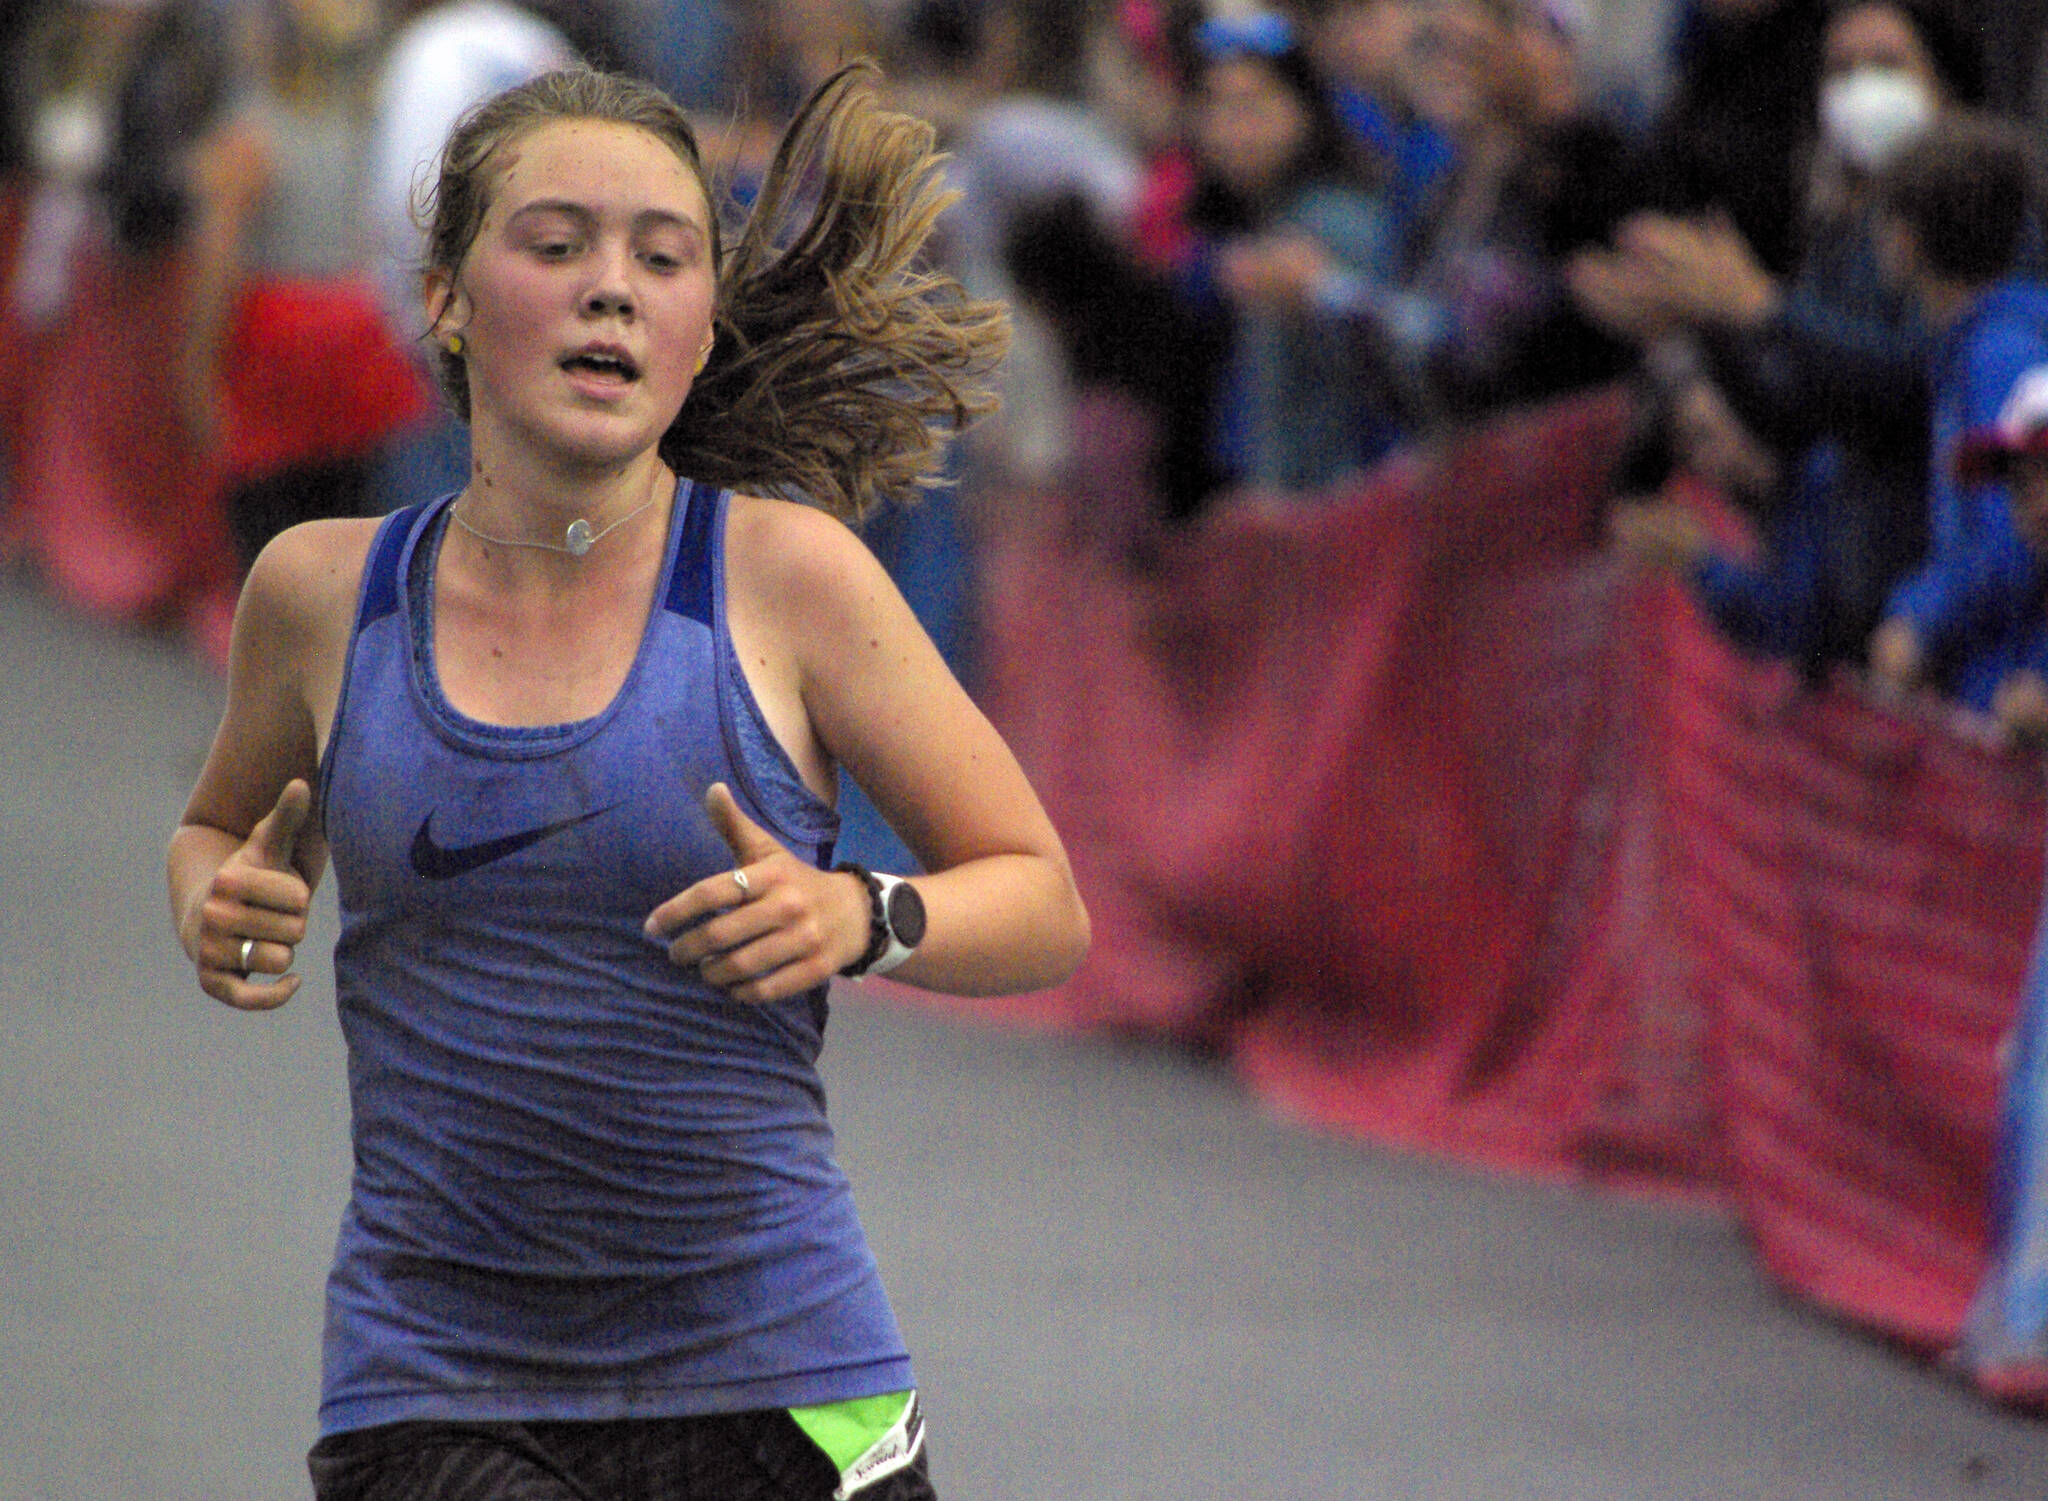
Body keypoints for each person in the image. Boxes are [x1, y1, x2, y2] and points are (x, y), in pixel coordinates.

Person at [165, 62, 1089, 1501]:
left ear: (699, 323)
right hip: (435, 1383)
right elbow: (223, 826)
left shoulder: (788, 582)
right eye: (556, 245)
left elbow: (1042, 900)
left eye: (662, 257)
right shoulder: (322, 595)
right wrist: (218, 898)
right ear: (447, 299)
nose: (612, 289)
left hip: (788, 1381)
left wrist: (863, 913)